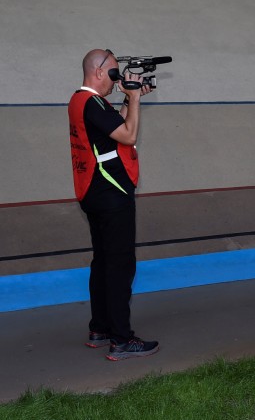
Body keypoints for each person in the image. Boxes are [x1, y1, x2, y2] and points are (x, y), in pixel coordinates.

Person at [68, 49, 159, 361]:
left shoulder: (84, 102)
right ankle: (121, 340)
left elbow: (113, 129)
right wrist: (134, 99)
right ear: (99, 72)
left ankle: (100, 328)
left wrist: (129, 99)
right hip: (111, 192)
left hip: (94, 192)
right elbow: (129, 133)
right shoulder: (90, 102)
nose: (116, 79)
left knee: (103, 261)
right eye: (114, 73)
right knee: (120, 266)